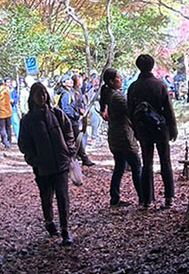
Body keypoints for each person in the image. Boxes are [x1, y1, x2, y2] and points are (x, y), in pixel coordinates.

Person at [18, 81, 75, 246]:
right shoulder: (27, 120)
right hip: (42, 167)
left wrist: (69, 150)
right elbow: (24, 144)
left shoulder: (57, 114)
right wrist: (34, 160)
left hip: (61, 163)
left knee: (63, 197)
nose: (41, 97)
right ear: (32, 97)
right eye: (38, 94)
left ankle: (65, 229)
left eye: (44, 93)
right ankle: (49, 221)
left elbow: (68, 131)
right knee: (46, 196)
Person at [127, 54, 178, 209]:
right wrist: (173, 128)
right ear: (152, 65)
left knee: (147, 163)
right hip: (160, 128)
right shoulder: (160, 85)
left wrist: (135, 129)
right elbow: (168, 109)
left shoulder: (133, 87)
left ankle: (146, 200)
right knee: (165, 161)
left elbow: (130, 111)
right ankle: (169, 197)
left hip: (143, 129)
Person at [103, 67, 144, 207]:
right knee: (136, 166)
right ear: (111, 81)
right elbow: (131, 111)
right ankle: (142, 197)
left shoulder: (110, 95)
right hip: (124, 136)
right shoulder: (117, 98)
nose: (121, 80)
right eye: (118, 78)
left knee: (119, 167)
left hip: (115, 136)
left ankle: (115, 197)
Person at [58, 75, 94, 166]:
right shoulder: (65, 94)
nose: (70, 81)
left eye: (70, 79)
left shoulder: (70, 92)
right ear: (64, 83)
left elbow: (73, 105)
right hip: (70, 120)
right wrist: (76, 115)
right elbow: (66, 109)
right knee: (77, 139)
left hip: (71, 120)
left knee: (73, 139)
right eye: (67, 80)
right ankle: (84, 158)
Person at [0, 78, 14, 148]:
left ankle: (5, 141)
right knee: (8, 127)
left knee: (2, 128)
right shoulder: (8, 90)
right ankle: (9, 140)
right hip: (8, 111)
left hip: (1, 112)